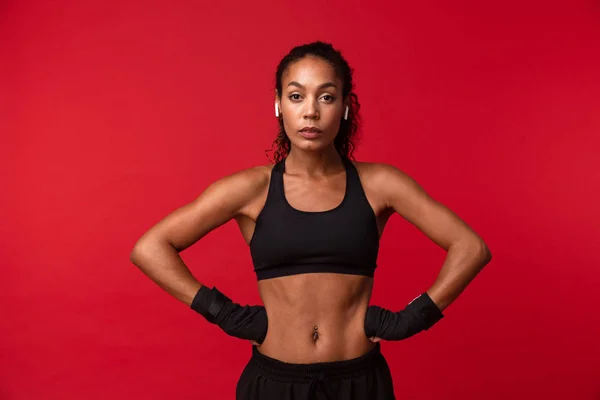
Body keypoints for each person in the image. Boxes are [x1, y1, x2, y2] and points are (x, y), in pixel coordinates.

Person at [129, 41, 492, 400]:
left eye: (326, 97)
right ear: (278, 104)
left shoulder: (380, 184)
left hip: (359, 382)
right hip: (273, 383)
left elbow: (470, 248)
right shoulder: (250, 189)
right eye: (297, 96)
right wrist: (224, 314)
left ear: (346, 107)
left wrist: (412, 318)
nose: (310, 113)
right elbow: (150, 249)